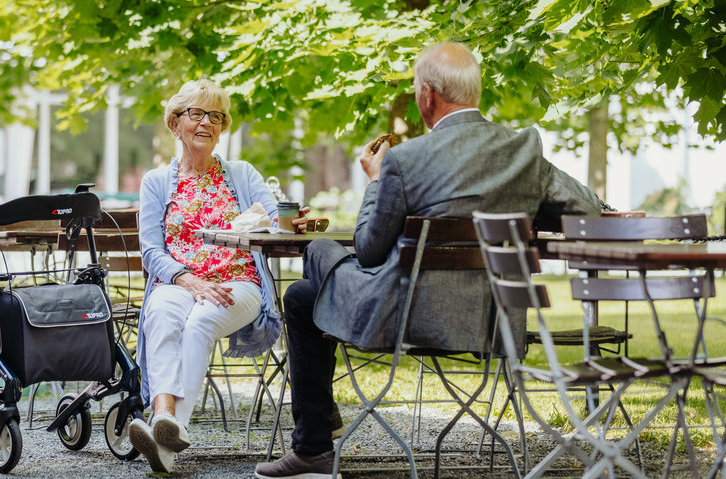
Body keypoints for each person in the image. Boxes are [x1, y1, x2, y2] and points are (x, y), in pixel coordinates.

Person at [254, 42, 604, 479]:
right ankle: (315, 441)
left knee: (313, 271)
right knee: (307, 292)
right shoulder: (524, 150)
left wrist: (376, 180)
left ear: (427, 95)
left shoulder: (405, 159)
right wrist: (526, 204)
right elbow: (587, 209)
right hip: (491, 321)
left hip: (406, 319)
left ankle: (314, 448)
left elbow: (368, 249)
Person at [130, 79, 307, 473]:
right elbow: (151, 250)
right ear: (175, 123)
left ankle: (169, 428)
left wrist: (293, 220)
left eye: (216, 115)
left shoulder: (241, 174)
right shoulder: (157, 182)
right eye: (197, 113)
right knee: (161, 315)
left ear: (223, 126)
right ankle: (164, 422)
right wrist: (186, 279)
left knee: (199, 324)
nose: (207, 122)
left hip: (236, 283)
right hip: (179, 280)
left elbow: (276, 219)